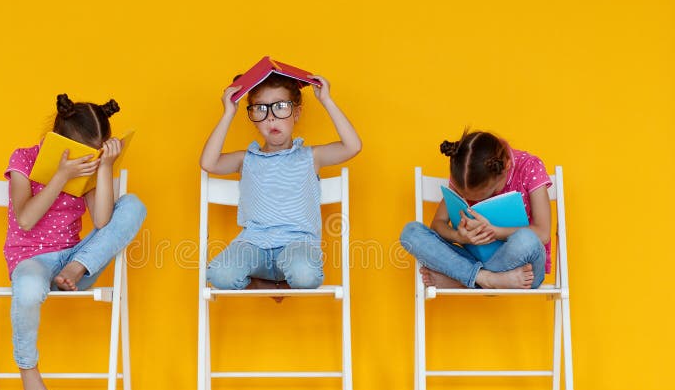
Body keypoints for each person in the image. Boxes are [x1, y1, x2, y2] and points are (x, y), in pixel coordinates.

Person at [4, 94, 146, 390]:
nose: (88, 160)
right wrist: (61, 175)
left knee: (133, 205)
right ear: (57, 141)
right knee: (27, 291)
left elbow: (103, 220)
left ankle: (76, 268)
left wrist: (105, 167)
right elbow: (26, 219)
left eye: (95, 154)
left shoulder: (91, 168)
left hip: (76, 262)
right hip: (31, 260)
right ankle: (28, 369)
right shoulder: (23, 159)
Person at [200, 71, 362, 293]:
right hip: (253, 245)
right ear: (253, 119)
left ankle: (279, 283)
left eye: (281, 107)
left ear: (296, 113)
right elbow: (208, 163)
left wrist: (326, 100)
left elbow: (353, 146)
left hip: (297, 245)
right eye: (261, 109)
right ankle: (265, 284)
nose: (271, 117)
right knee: (220, 274)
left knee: (306, 275)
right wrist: (228, 113)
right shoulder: (245, 159)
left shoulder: (310, 156)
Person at [400, 130, 552, 289]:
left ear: (506, 166)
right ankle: (485, 278)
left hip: (522, 270)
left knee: (526, 239)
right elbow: (438, 224)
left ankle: (462, 279)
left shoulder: (529, 167)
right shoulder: (465, 174)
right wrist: (459, 236)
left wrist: (495, 232)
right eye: (467, 196)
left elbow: (543, 233)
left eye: (487, 194)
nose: (474, 200)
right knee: (411, 232)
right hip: (478, 262)